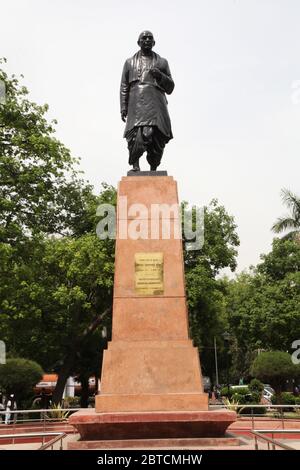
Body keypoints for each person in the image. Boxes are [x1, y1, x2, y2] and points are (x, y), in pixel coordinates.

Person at [120, 31, 174, 171]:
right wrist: (123, 107)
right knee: (136, 135)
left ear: (154, 43)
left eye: (150, 38)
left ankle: (153, 168)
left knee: (157, 137)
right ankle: (135, 166)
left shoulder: (162, 62)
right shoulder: (129, 62)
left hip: (156, 103)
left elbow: (170, 87)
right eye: (144, 38)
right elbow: (124, 86)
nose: (147, 40)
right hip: (136, 103)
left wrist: (160, 76)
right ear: (138, 42)